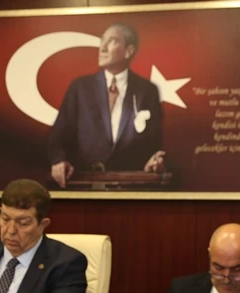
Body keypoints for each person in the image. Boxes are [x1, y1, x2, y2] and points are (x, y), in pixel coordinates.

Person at [49, 22, 165, 188]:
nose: (102, 47)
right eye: (102, 40)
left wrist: (152, 162)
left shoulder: (147, 91)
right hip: (84, 186)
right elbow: (58, 136)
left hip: (130, 189)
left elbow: (153, 145)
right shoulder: (80, 88)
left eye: (112, 41)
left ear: (128, 51)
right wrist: (59, 160)